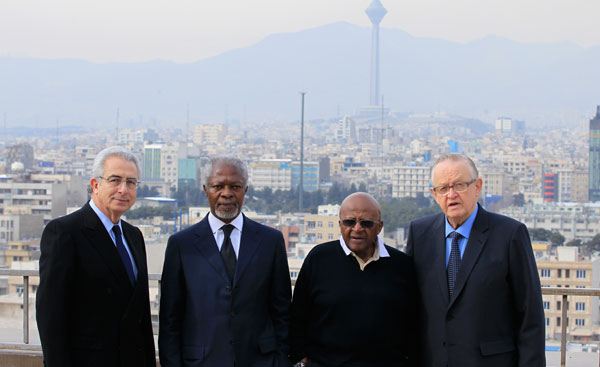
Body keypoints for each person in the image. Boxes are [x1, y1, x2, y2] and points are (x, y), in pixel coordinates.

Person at [406, 153, 545, 367]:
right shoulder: (419, 233)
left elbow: (530, 317)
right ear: (434, 194)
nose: (451, 195)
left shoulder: (510, 234)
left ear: (477, 187)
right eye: (443, 188)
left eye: (459, 185)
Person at [159, 156, 291, 367]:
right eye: (218, 186)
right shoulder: (181, 245)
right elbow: (169, 319)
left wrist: (281, 360)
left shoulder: (270, 241)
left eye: (235, 186)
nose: (227, 193)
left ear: (245, 189)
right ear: (205, 189)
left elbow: (282, 310)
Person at [36, 146, 155, 367]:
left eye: (131, 182)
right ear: (95, 185)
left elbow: (141, 315)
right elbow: (51, 316)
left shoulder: (134, 236)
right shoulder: (65, 232)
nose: (123, 189)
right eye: (115, 180)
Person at [290, 192, 418, 367]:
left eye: (366, 223)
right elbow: (297, 316)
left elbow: (413, 323)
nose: (357, 228)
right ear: (340, 225)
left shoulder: (401, 265)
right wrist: (303, 357)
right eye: (350, 222)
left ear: (379, 227)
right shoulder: (319, 258)